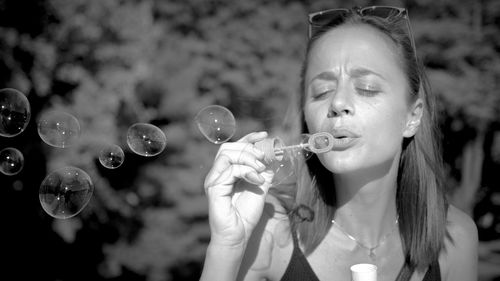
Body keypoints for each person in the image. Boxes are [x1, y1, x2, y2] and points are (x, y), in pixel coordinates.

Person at [199, 6, 478, 281]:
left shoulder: (456, 238)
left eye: (366, 88)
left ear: (412, 117)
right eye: (321, 92)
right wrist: (227, 247)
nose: (338, 104)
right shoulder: (269, 231)